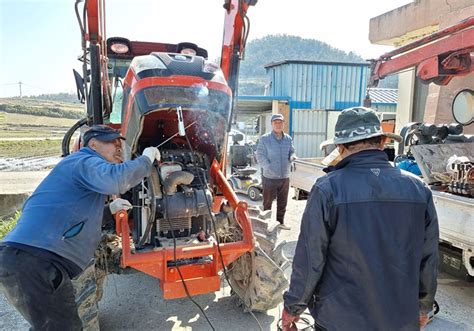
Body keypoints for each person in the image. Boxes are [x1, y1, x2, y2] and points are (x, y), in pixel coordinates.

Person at [281, 107, 439, 331]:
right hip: (400, 319)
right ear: (383, 142)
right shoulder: (418, 188)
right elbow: (429, 258)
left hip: (340, 319)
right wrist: (423, 307)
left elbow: (310, 258)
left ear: (340, 147)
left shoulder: (328, 189)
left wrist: (293, 307)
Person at [0, 125, 161, 330]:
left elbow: (73, 215)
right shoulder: (83, 160)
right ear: (92, 144)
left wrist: (108, 210)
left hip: (31, 261)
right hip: (34, 261)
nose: (119, 148)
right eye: (113, 142)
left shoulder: (80, 170)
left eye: (121, 143)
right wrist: (146, 160)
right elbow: (118, 180)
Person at [256, 113, 296, 230]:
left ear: (283, 124)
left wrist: (293, 156)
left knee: (282, 202)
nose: (278, 125)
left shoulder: (288, 139)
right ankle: (266, 224)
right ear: (272, 124)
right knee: (267, 202)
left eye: (280, 122)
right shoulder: (264, 139)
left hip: (284, 176)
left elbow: (292, 151)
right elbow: (260, 154)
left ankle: (280, 222)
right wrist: (267, 166)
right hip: (269, 177)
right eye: (275, 123)